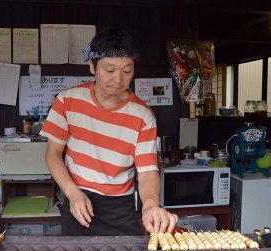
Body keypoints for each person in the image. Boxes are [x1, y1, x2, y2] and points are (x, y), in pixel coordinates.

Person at [40, 27, 177, 236]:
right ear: (92, 67)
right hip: (77, 200)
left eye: (127, 71)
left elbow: (147, 171)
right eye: (110, 70)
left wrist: (150, 205)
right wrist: (73, 193)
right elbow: (53, 154)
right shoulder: (67, 101)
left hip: (119, 208)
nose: (118, 79)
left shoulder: (143, 115)